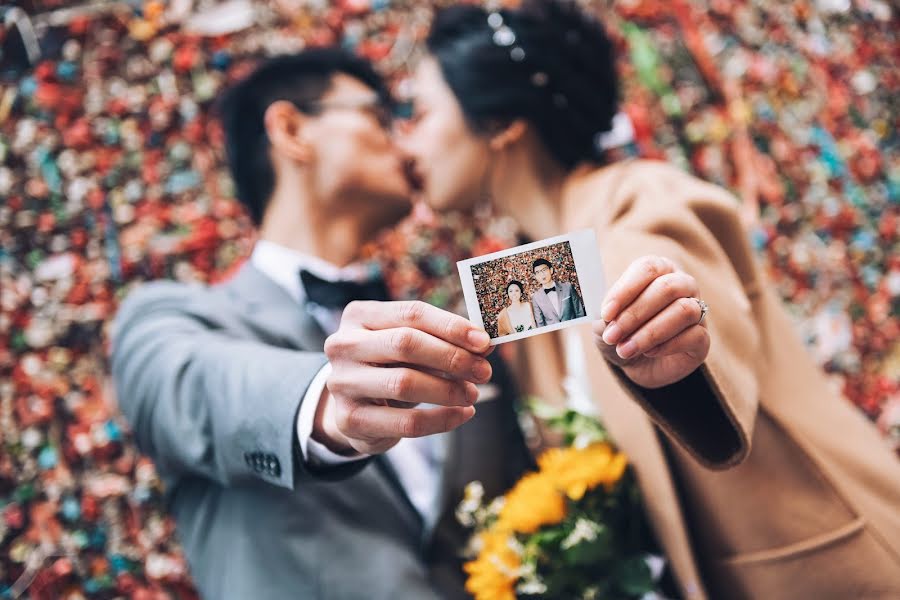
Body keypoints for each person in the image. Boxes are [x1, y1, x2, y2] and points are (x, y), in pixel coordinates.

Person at [396, 1, 900, 598]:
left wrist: (674, 336)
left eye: (419, 112)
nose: (406, 143)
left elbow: (660, 272)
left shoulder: (641, 198)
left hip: (829, 569)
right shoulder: (527, 274)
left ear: (502, 121)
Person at [111, 49, 533, 600]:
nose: (404, 144)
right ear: (290, 129)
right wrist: (325, 401)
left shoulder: (452, 331)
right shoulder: (168, 320)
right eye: (380, 118)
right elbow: (196, 389)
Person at [529, 257, 586, 326]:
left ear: (551, 270)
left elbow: (579, 312)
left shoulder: (568, 287)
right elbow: (540, 323)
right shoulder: (536, 297)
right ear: (535, 276)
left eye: (544, 270)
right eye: (538, 272)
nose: (542, 274)